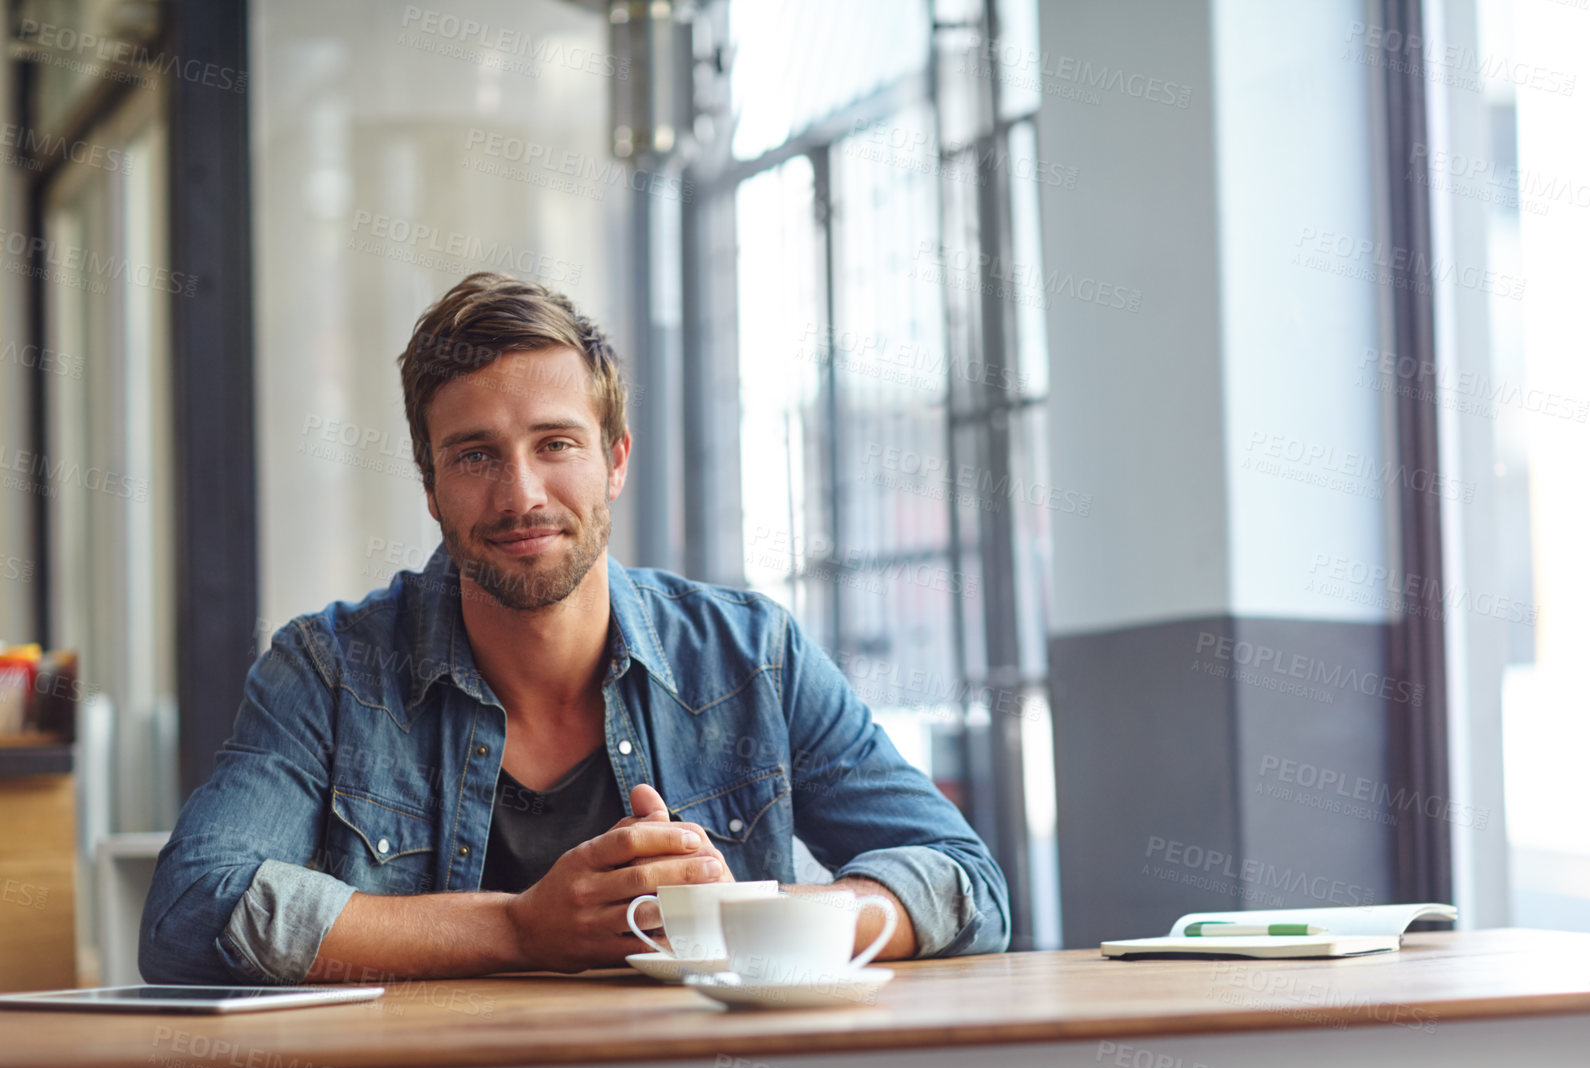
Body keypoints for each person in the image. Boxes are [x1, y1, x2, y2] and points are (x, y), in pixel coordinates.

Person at [140, 272, 1010, 984]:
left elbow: (966, 883)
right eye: (475, 455)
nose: (520, 495)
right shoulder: (327, 671)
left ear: (615, 461)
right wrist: (519, 931)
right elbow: (191, 914)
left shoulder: (753, 656)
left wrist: (763, 923)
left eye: (555, 444)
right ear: (431, 485)